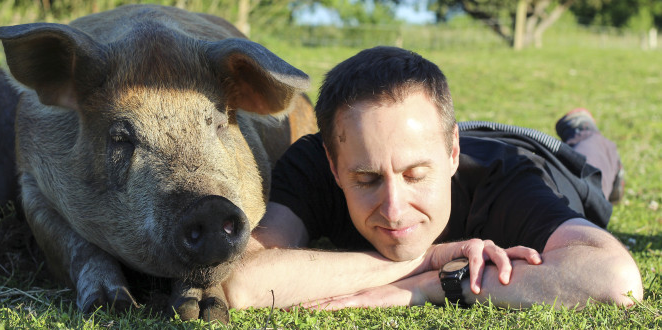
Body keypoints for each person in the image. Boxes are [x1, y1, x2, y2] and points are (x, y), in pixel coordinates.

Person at [222, 46, 643, 310]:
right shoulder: (316, 161)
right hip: (450, 137)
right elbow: (241, 281)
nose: (393, 208)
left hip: (543, 158)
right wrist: (429, 260)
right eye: (367, 180)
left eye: (416, 175)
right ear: (334, 164)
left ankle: (584, 130)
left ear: (452, 154)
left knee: (594, 163)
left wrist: (434, 286)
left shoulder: (507, 183)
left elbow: (615, 280)